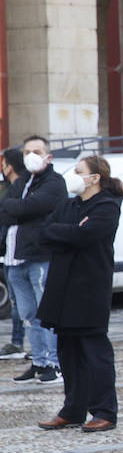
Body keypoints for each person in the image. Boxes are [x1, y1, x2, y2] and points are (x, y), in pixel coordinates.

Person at [35, 156, 123, 433]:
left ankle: (105, 411)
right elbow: (45, 232)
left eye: (79, 171)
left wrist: (68, 233)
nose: (73, 176)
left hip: (89, 289)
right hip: (63, 289)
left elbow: (86, 236)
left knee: (94, 352)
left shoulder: (106, 206)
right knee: (68, 353)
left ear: (94, 177)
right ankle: (73, 409)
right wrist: (71, 231)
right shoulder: (69, 204)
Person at [3, 136, 66, 384]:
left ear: (48, 156)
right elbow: (6, 206)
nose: (31, 155)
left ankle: (54, 363)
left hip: (40, 255)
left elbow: (33, 207)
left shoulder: (54, 182)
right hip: (16, 257)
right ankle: (38, 361)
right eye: (28, 151)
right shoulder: (22, 182)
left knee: (46, 312)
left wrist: (17, 208)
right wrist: (17, 207)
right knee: (28, 313)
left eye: (37, 151)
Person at [0, 147, 29, 362]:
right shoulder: (11, 187)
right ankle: (17, 342)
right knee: (18, 302)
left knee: (24, 303)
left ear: (9, 166)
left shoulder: (22, 187)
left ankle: (23, 344)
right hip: (9, 252)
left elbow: (10, 216)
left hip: (22, 253)